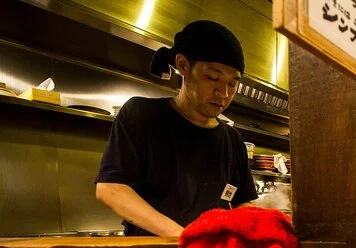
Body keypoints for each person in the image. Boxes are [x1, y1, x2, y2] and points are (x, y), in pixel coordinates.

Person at [95, 20, 258, 236]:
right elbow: (111, 189)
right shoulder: (142, 115)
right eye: (213, 77)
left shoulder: (232, 139)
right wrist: (184, 239)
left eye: (232, 84)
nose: (224, 93)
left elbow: (241, 203)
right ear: (183, 66)